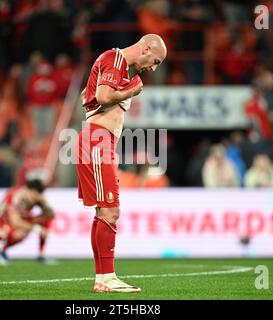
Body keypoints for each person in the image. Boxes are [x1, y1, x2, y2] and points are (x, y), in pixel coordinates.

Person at [76, 34, 167, 293]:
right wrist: (131, 91)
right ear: (146, 47)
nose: (154, 67)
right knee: (110, 211)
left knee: (104, 212)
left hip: (99, 142)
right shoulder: (115, 58)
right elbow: (103, 97)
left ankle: (104, 277)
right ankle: (106, 278)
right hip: (96, 141)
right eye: (156, 60)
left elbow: (88, 93)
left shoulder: (116, 66)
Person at [0, 178, 55, 265]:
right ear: (30, 190)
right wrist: (37, 229)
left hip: (19, 219)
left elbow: (51, 215)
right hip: (2, 224)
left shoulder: (36, 197)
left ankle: (41, 254)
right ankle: (2, 251)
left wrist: (45, 203)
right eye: (35, 195)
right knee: (21, 232)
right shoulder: (16, 197)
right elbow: (15, 222)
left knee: (46, 220)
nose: (36, 198)